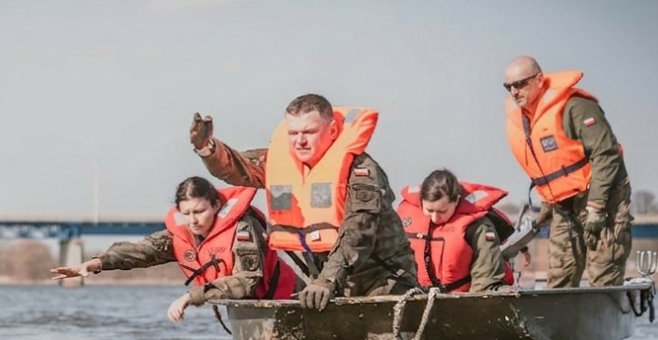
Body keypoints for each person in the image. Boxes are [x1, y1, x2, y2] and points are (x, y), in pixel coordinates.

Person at [189, 93, 417, 310]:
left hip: (383, 281)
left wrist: (327, 280)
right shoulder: (279, 162)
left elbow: (357, 233)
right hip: (328, 283)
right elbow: (240, 167)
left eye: (309, 132)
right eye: (293, 133)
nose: (300, 141)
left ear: (332, 131)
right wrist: (207, 148)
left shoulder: (361, 171)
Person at [50, 176, 298, 322]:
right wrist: (94, 264)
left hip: (287, 301)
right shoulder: (182, 233)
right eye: (186, 213)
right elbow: (142, 250)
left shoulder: (243, 229)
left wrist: (191, 296)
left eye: (199, 212)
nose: (193, 220)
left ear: (215, 205)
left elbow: (247, 280)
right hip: (252, 311)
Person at [503, 55, 633, 287]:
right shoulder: (523, 120)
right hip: (563, 205)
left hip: (601, 196)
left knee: (605, 270)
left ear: (539, 79)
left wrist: (596, 207)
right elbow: (552, 168)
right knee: (560, 274)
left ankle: (605, 313)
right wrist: (547, 206)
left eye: (520, 84)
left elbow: (606, 154)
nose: (514, 91)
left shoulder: (575, 107)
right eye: (508, 86)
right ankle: (559, 320)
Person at [396, 169, 513, 293]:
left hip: (461, 301)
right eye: (429, 210)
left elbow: (485, 277)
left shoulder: (478, 226)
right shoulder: (404, 218)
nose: (435, 218)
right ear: (421, 201)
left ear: (456, 201)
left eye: (442, 211)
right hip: (414, 297)